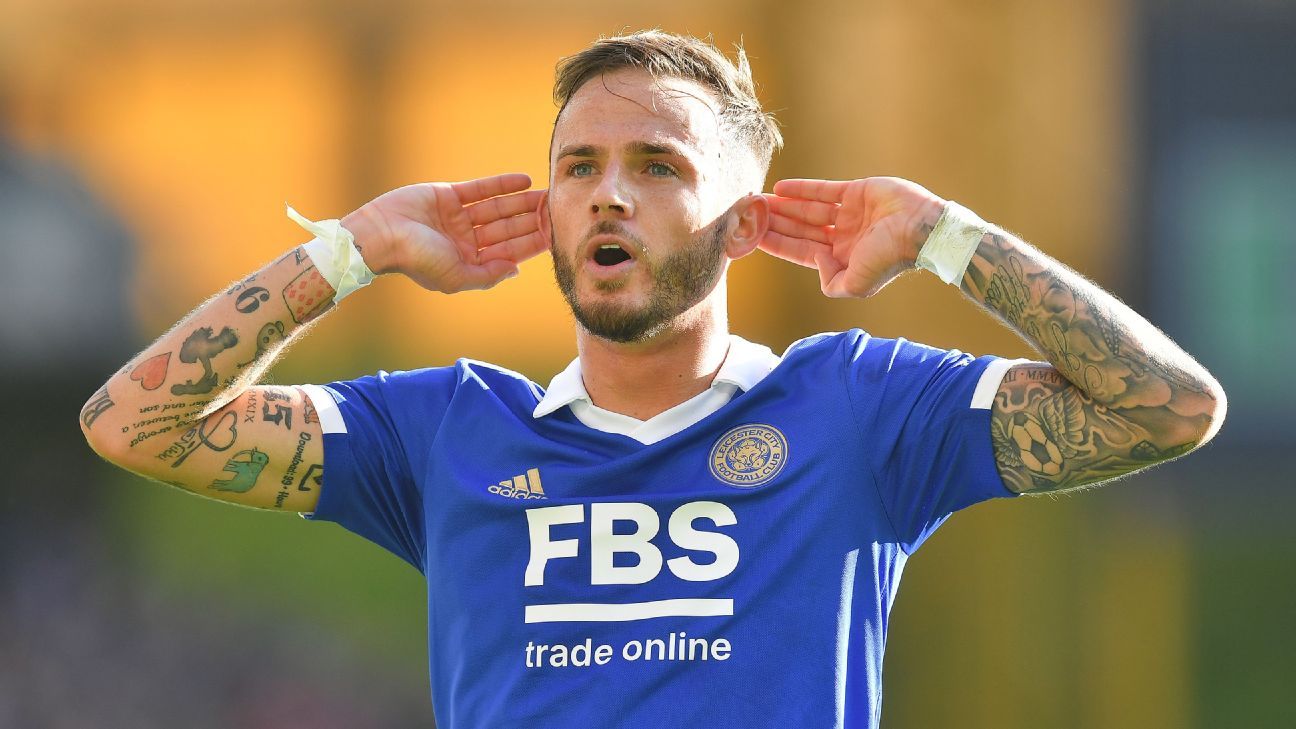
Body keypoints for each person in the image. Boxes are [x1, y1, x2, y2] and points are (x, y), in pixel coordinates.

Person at [80, 30, 1225, 729]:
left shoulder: (858, 408)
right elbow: (136, 424)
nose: (607, 195)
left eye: (657, 166)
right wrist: (348, 252)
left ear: (743, 223)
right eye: (578, 166)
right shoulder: (446, 429)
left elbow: (1170, 408)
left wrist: (949, 237)